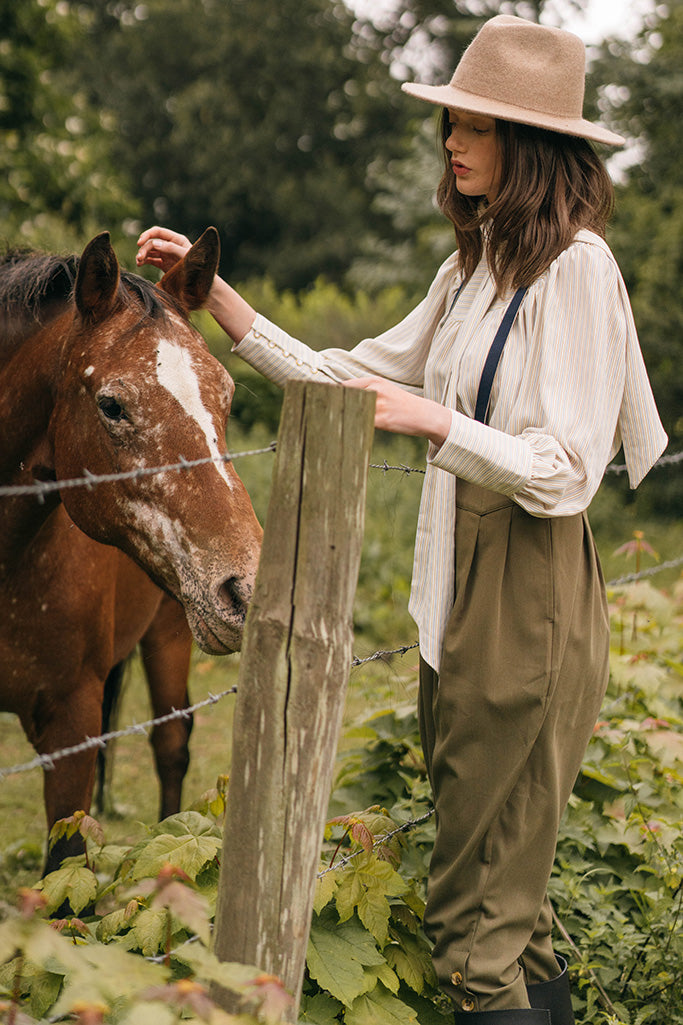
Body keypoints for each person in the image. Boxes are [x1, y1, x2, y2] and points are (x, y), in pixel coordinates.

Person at [137, 14, 667, 1023]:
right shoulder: (474, 268)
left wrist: (439, 422)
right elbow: (349, 379)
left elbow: (563, 473)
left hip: (527, 584)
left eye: (473, 126)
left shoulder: (575, 272)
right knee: (513, 913)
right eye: (449, 125)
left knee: (474, 929)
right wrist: (228, 310)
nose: (451, 144)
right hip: (459, 589)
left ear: (533, 145)